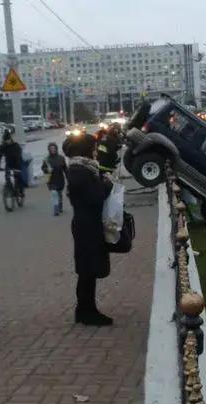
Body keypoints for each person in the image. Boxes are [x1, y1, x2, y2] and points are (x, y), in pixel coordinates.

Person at [62, 132, 114, 326]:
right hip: (86, 226)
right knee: (87, 270)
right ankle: (86, 311)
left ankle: (86, 309)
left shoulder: (83, 169)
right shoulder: (80, 171)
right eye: (92, 148)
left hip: (87, 224)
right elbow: (95, 197)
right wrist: (106, 185)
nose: (95, 151)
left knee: (88, 270)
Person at [0, 129, 24, 198]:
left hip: (17, 163)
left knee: (18, 177)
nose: (7, 141)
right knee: (7, 176)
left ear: (10, 139)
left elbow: (19, 156)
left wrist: (18, 168)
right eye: (5, 140)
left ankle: (21, 192)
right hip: (8, 163)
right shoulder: (3, 147)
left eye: (8, 140)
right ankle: (9, 189)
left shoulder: (15, 145)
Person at [41, 142, 68, 216]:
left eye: (54, 148)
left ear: (56, 149)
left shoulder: (61, 158)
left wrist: (69, 176)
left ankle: (60, 205)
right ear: (49, 150)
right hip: (51, 180)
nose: (53, 150)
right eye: (51, 149)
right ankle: (55, 208)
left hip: (60, 179)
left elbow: (65, 169)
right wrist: (47, 170)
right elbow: (43, 168)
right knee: (54, 194)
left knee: (59, 194)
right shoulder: (46, 159)